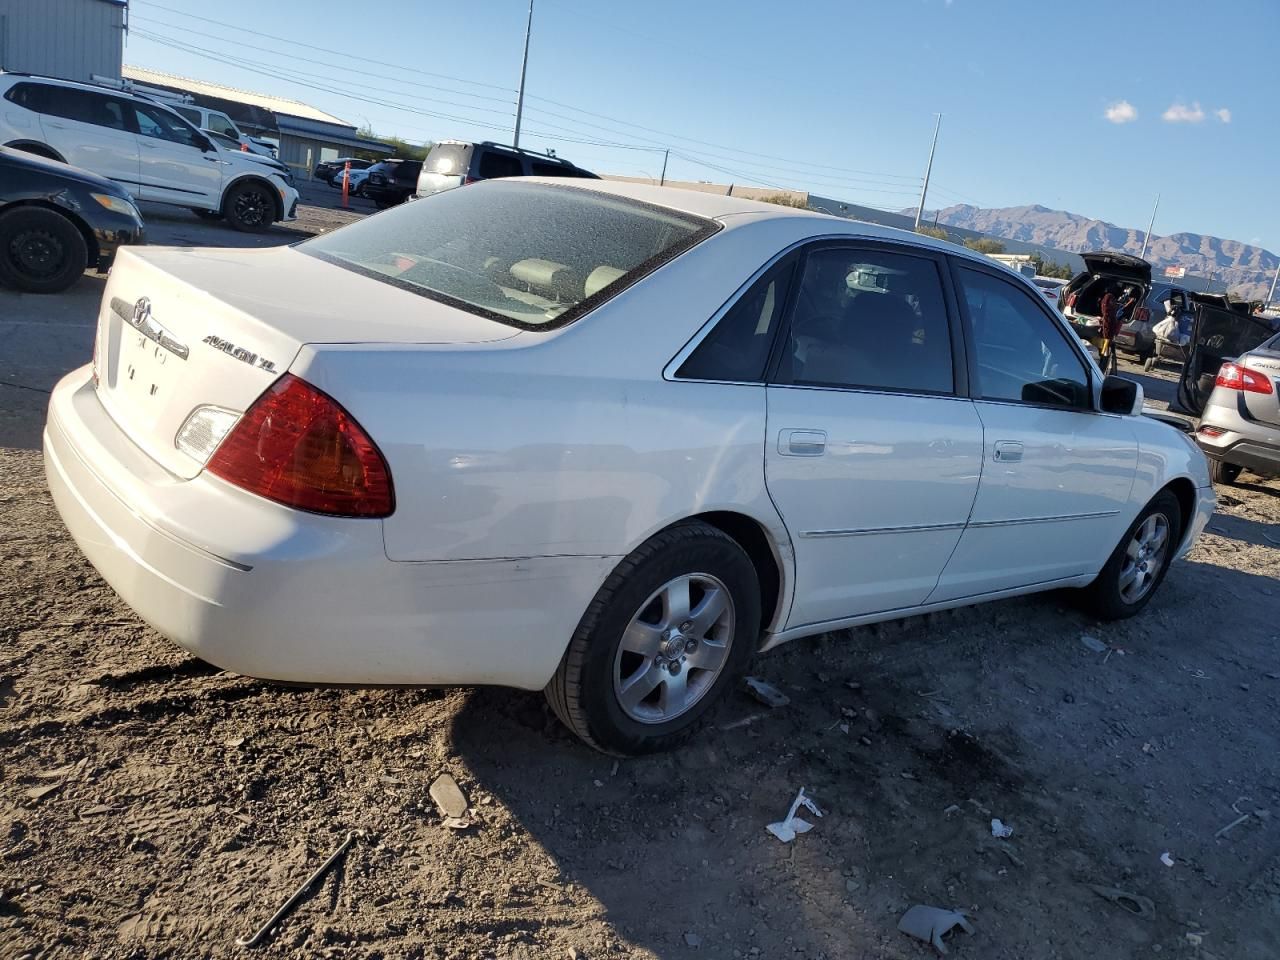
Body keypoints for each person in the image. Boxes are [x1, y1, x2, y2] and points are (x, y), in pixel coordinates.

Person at [1098, 284, 1121, 366]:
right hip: (1108, 323)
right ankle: (1103, 360)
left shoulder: (1108, 297)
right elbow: (1107, 312)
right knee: (1106, 341)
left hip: (1109, 322)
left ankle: (1104, 358)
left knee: (1107, 342)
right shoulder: (1109, 297)